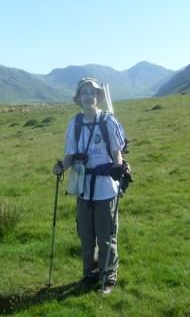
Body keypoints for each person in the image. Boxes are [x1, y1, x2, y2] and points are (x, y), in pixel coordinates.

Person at [52, 78, 126, 293]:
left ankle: (108, 277)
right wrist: (60, 168)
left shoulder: (108, 121)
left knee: (106, 236)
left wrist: (118, 167)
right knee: (86, 236)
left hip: (105, 187)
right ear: (79, 98)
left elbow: (116, 151)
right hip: (83, 188)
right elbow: (70, 155)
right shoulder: (74, 124)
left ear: (97, 97)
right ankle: (89, 274)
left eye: (92, 92)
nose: (88, 96)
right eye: (84, 93)